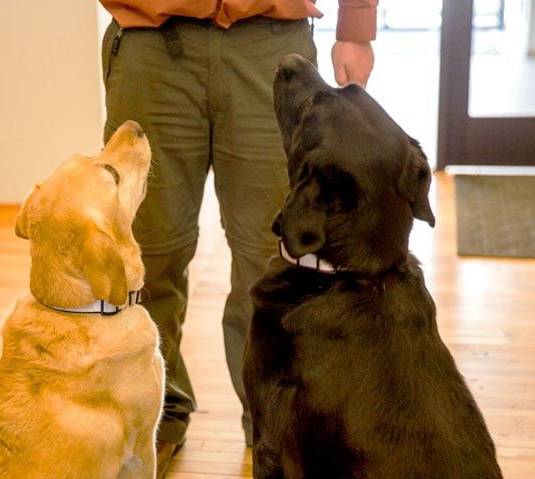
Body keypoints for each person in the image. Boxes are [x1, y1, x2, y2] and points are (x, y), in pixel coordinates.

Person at [98, 0, 378, 475]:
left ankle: (274, 425)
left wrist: (357, 23)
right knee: (145, 255)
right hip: (151, 41)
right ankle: (154, 419)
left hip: (272, 43)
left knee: (274, 262)